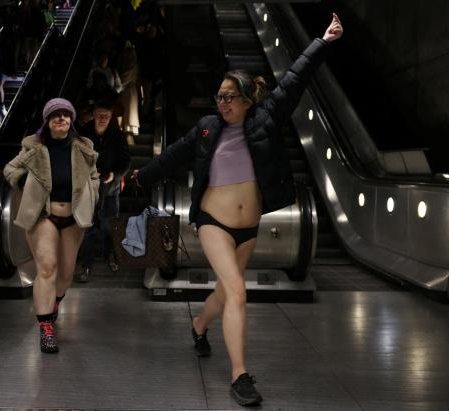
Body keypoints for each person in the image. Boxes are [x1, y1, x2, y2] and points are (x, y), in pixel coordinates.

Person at [131, 14, 343, 407]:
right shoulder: (208, 128)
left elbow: (296, 78)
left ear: (248, 99)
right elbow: (174, 156)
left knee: (227, 293)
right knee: (238, 293)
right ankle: (240, 375)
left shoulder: (266, 118)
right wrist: (140, 176)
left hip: (249, 227)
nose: (222, 102)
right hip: (212, 223)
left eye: (229, 96)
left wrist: (323, 42)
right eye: (219, 96)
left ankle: (198, 325)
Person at [4, 98, 100, 353]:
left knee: (66, 274)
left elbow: (94, 177)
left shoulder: (84, 147)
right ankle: (45, 327)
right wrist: (23, 181)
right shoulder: (33, 146)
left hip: (73, 218)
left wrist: (94, 193)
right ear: (47, 121)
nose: (61, 119)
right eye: (55, 115)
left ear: (72, 119)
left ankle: (55, 303)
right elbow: (9, 169)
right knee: (47, 269)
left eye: (66, 114)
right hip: (42, 215)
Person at [77, 98, 131, 282]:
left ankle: (110, 255)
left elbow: (126, 161)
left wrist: (115, 175)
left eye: (106, 116)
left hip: (110, 187)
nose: (102, 118)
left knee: (110, 225)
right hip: (88, 186)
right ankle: (86, 264)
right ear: (93, 115)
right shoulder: (83, 133)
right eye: (99, 115)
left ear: (110, 117)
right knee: (88, 227)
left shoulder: (117, 135)